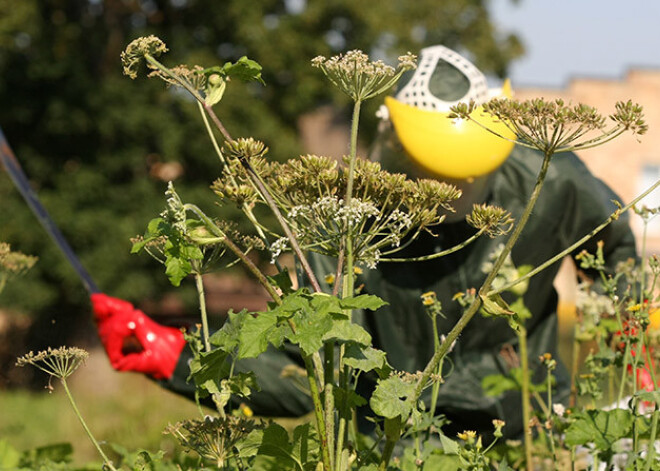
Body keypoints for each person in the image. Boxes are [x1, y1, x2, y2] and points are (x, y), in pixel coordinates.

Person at [90, 45, 638, 440]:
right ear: (387, 137)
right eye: (435, 173)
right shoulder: (340, 227)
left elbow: (615, 246)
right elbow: (299, 372)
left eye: (471, 177)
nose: (456, 194)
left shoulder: (551, 183)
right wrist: (175, 357)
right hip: (396, 449)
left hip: (528, 431)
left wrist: (634, 328)